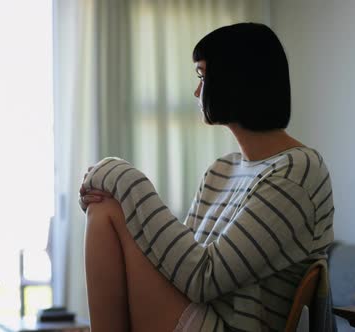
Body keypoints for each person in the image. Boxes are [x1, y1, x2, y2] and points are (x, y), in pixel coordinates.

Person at [79, 23, 334, 332]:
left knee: (110, 203)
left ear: (234, 78)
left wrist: (120, 176)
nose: (197, 91)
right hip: (200, 312)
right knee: (106, 206)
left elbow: (204, 278)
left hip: (227, 326)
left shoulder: (298, 171)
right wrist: (112, 186)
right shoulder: (221, 170)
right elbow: (179, 267)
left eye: (202, 75)